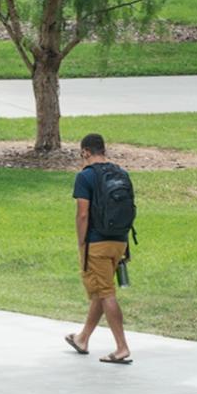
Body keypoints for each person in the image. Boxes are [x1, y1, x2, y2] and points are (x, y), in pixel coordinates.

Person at [63, 133, 134, 364]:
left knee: (105, 293)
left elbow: (82, 214)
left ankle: (122, 347)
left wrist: (81, 242)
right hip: (120, 240)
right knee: (100, 291)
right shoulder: (121, 173)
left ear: (85, 151)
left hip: (97, 242)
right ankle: (83, 338)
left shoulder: (86, 177)